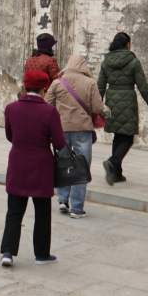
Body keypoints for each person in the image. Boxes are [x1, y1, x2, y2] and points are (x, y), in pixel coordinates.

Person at [0, 68, 66, 267]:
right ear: (44, 88)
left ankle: (8, 252)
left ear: (25, 85)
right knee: (42, 212)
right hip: (41, 166)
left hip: (18, 162)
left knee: (14, 211)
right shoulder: (49, 111)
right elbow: (60, 143)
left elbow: (9, 136)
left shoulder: (11, 108)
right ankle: (41, 254)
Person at [98, 32, 148, 185]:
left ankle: (116, 173)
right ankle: (113, 162)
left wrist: (97, 106)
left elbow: (100, 86)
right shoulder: (133, 62)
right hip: (128, 99)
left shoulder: (106, 61)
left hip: (112, 99)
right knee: (127, 137)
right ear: (127, 44)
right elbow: (143, 88)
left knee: (118, 135)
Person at [45, 54, 103, 218]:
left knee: (64, 164)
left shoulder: (57, 82)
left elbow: (47, 104)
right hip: (82, 131)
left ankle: (63, 200)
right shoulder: (90, 83)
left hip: (61, 130)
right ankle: (77, 208)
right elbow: (98, 107)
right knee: (81, 167)